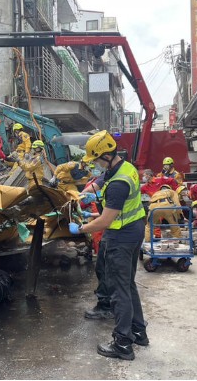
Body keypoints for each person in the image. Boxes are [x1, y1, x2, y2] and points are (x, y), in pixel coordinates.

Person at [69, 130, 147, 361]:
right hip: (134, 230)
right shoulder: (124, 167)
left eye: (96, 160)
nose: (95, 165)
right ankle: (138, 332)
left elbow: (105, 220)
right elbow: (100, 182)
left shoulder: (118, 184)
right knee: (128, 285)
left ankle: (123, 344)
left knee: (118, 290)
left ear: (106, 155)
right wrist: (85, 195)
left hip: (121, 237)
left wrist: (81, 228)